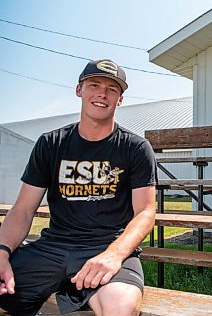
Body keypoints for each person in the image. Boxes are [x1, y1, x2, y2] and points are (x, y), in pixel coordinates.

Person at [0, 59, 157, 316]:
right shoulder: (51, 143)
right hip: (53, 247)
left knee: (121, 306)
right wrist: (3, 250)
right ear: (79, 90)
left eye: (112, 89)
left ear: (120, 99)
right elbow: (23, 210)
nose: (102, 93)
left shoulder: (136, 148)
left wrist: (114, 255)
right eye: (94, 84)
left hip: (106, 245)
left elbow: (146, 212)